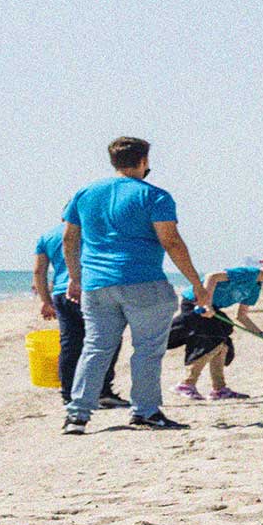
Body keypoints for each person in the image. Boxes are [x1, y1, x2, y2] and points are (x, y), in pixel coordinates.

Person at [60, 137, 204, 434]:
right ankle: (146, 412)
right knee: (147, 351)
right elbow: (171, 241)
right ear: (143, 161)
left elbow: (69, 239)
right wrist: (195, 283)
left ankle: (77, 415)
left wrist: (75, 277)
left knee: (96, 348)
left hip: (96, 284)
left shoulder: (85, 193)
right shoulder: (155, 196)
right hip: (142, 281)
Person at [33, 223, 123, 408]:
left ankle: (68, 395)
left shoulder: (47, 235)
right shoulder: (94, 229)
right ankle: (102, 391)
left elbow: (39, 271)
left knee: (70, 344)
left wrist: (45, 300)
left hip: (61, 294)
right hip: (91, 289)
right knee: (107, 340)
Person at [172, 256, 263, 399]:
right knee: (213, 341)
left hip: (213, 308)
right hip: (196, 303)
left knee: (223, 345)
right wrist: (206, 303)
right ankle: (186, 384)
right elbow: (212, 277)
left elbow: (242, 316)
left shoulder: (255, 288)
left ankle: (219, 389)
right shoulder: (249, 273)